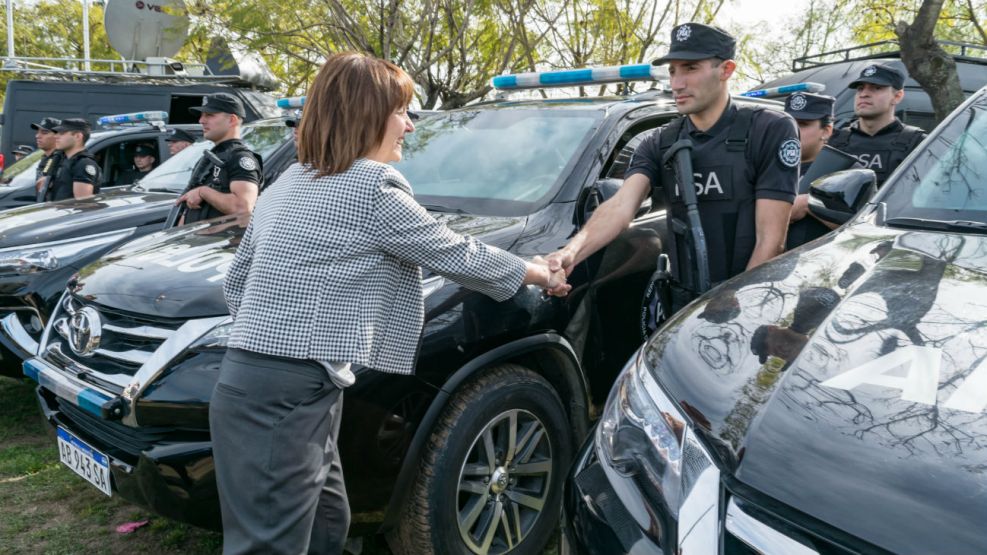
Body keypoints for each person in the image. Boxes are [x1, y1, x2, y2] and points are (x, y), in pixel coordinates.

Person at [210, 52, 567, 554]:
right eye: (401, 110)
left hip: (283, 384)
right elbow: (453, 252)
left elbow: (238, 284)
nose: (410, 124)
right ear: (367, 114)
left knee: (327, 521)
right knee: (269, 545)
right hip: (284, 393)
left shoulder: (287, 183)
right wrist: (539, 272)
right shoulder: (372, 187)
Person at [546, 22, 799, 295]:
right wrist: (569, 253)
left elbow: (771, 241)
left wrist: (736, 307)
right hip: (683, 301)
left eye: (690, 68)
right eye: (672, 71)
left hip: (744, 300)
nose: (677, 83)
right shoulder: (660, 141)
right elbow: (620, 206)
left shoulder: (769, 129)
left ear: (726, 70)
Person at [829, 63, 926, 187]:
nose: (864, 94)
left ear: (897, 96)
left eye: (876, 88)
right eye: (860, 88)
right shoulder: (834, 141)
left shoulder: (918, 144)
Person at [175, 93, 262, 225]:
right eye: (202, 115)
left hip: (222, 244)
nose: (201, 121)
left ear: (232, 119)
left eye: (209, 115)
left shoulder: (240, 158)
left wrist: (203, 192)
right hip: (195, 242)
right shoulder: (213, 156)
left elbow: (243, 208)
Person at [785, 92, 837, 249]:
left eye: (803, 124)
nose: (792, 130)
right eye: (788, 122)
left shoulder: (845, 171)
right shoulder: (765, 164)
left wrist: (810, 204)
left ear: (826, 131)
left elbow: (864, 228)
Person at [44, 118, 101, 201]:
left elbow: (83, 204)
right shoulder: (63, 160)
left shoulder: (83, 164)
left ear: (78, 136)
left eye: (62, 133)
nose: (56, 136)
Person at [31, 117, 62, 193]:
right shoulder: (45, 157)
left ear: (57, 136)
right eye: (38, 132)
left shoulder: (61, 159)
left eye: (44, 133)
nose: (37, 136)